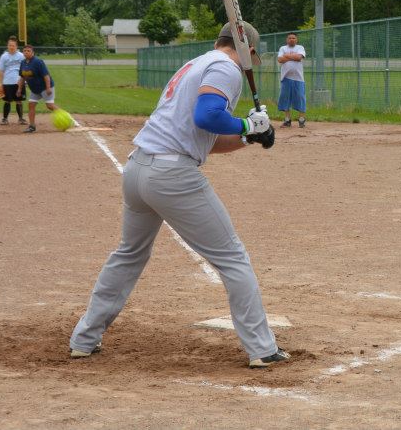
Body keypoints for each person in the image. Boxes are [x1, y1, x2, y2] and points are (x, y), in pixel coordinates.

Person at [69, 21, 290, 369]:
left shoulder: (196, 64)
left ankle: (83, 339)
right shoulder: (226, 68)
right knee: (233, 258)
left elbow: (202, 142)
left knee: (128, 254)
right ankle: (262, 349)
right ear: (246, 50)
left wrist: (249, 137)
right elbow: (208, 117)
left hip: (139, 169)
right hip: (170, 176)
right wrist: (248, 124)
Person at [16, 45, 62, 133]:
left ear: (33, 52)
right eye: (24, 51)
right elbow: (22, 77)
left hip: (45, 87)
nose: (26, 52)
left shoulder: (38, 62)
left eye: (28, 51)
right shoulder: (23, 63)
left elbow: (46, 75)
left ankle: (67, 117)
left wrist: (48, 88)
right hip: (35, 89)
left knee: (50, 106)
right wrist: (19, 89)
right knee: (31, 105)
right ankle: (32, 126)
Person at [277, 32, 307, 128]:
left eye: (293, 38)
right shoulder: (283, 48)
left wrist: (286, 56)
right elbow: (280, 60)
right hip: (286, 78)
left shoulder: (300, 48)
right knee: (285, 98)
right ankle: (287, 120)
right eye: (290, 38)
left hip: (298, 78)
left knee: (300, 97)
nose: (292, 39)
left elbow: (299, 58)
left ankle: (301, 120)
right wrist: (292, 57)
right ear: (287, 39)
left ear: (296, 39)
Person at [0, 36, 26, 125]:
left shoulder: (21, 56)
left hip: (18, 82)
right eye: (9, 45)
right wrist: (0, 83)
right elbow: (1, 71)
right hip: (7, 82)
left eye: (13, 45)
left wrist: (25, 81)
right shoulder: (4, 56)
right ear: (7, 46)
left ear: (16, 46)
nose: (11, 47)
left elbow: (25, 69)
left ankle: (20, 119)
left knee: (19, 100)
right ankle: (5, 119)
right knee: (7, 100)